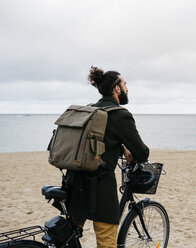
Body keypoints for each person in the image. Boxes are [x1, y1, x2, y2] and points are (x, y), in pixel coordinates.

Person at [65, 66, 149, 248]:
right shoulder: (121, 115)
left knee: (68, 239)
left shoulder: (91, 110)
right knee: (106, 242)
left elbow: (96, 141)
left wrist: (119, 148)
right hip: (100, 188)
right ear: (116, 89)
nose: (127, 88)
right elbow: (142, 152)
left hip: (75, 182)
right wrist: (132, 150)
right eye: (125, 84)